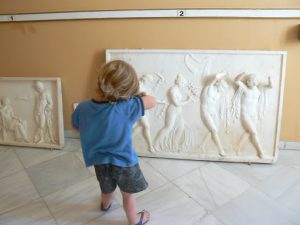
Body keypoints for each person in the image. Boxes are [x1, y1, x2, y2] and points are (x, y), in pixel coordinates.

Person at [72, 60, 156, 225]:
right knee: (128, 196)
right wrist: (135, 96)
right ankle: (135, 220)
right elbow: (152, 101)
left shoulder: (82, 107)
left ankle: (105, 205)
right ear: (127, 91)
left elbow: (76, 127)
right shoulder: (128, 106)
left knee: (106, 188)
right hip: (124, 163)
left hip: (100, 162)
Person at [232, 73, 272, 158]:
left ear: (255, 82)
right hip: (245, 114)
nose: (248, 82)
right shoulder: (244, 89)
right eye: (248, 80)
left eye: (250, 80)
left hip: (254, 115)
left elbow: (270, 86)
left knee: (249, 132)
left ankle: (237, 147)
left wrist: (270, 79)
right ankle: (260, 151)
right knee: (253, 132)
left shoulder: (258, 90)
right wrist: (243, 74)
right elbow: (236, 81)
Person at [154, 73, 192, 151]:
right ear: (179, 82)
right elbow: (176, 103)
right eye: (183, 83)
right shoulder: (172, 90)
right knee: (168, 128)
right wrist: (188, 101)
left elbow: (179, 101)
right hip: (172, 111)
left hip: (178, 112)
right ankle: (155, 144)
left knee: (181, 128)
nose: (183, 85)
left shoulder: (178, 89)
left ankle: (175, 145)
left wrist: (187, 99)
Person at [200, 73, 227, 156]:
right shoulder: (209, 87)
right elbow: (215, 77)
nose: (222, 90)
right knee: (214, 130)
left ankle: (202, 145)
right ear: (217, 83)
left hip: (213, 112)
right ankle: (221, 150)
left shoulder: (217, 93)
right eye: (222, 87)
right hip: (205, 111)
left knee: (214, 130)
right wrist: (223, 73)